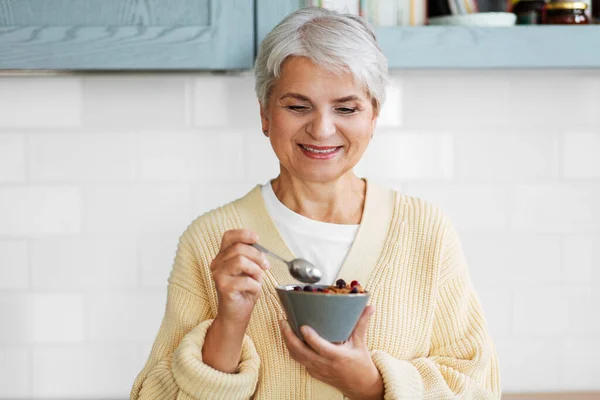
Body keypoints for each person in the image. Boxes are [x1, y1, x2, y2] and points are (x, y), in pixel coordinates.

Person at [131, 6, 500, 400]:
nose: (322, 129)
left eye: (346, 108)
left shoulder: (426, 230)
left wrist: (371, 384)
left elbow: (477, 387)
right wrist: (229, 326)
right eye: (297, 106)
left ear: (373, 116)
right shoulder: (210, 241)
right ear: (265, 114)